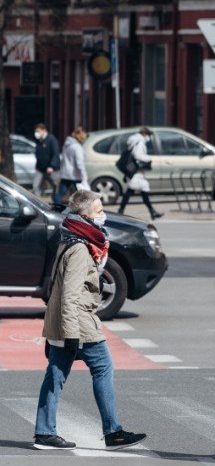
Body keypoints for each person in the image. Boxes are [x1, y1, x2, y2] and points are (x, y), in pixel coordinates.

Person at [34, 190, 146, 450]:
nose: (103, 215)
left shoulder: (71, 238)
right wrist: (71, 334)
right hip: (79, 322)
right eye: (99, 211)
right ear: (85, 216)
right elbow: (70, 295)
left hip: (66, 321)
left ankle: (44, 432)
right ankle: (113, 432)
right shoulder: (80, 249)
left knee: (56, 373)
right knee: (103, 367)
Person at [117, 126, 163, 220]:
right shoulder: (140, 142)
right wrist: (148, 158)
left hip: (134, 171)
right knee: (136, 190)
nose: (149, 138)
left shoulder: (134, 141)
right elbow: (138, 156)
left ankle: (152, 212)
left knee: (135, 190)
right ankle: (152, 212)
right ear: (145, 134)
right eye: (148, 135)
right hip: (136, 171)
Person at [56, 126, 88, 204]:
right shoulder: (77, 147)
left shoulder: (66, 145)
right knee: (81, 194)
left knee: (61, 192)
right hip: (75, 175)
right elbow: (79, 163)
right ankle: (82, 208)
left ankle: (55, 207)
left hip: (65, 173)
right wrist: (84, 175)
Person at [33, 123, 60, 197]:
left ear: (44, 130)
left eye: (38, 131)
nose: (36, 133)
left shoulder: (51, 139)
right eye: (36, 131)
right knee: (35, 186)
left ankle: (56, 200)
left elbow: (55, 154)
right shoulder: (38, 140)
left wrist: (52, 166)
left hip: (52, 169)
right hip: (40, 168)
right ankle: (37, 201)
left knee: (55, 186)